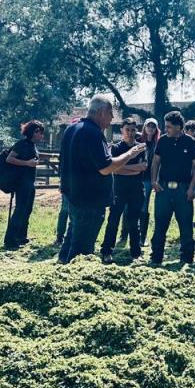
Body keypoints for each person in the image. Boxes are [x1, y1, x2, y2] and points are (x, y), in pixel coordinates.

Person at [57, 96, 146, 263]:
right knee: (82, 249)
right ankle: (75, 279)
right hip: (89, 201)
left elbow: (63, 162)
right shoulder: (92, 133)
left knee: (71, 239)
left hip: (74, 195)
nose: (112, 117)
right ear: (100, 112)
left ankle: (62, 266)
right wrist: (130, 154)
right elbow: (106, 167)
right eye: (110, 113)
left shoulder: (71, 129)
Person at [149, 111, 195, 266]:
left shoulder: (191, 142)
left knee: (186, 224)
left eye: (169, 127)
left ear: (179, 127)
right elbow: (155, 162)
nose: (166, 129)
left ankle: (187, 258)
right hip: (164, 188)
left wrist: (192, 188)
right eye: (166, 126)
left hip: (183, 189)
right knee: (160, 224)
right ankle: (156, 257)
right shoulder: (163, 141)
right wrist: (153, 181)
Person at [99, 117, 148, 263]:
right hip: (118, 191)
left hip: (136, 190)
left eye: (133, 130)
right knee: (113, 221)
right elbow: (115, 170)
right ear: (122, 131)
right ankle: (106, 251)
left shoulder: (141, 147)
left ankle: (136, 254)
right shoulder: (115, 148)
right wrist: (132, 168)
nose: (131, 133)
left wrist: (121, 166)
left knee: (134, 223)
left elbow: (143, 167)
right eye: (128, 130)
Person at [3, 120, 45, 250]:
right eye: (40, 133)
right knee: (20, 210)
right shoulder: (21, 144)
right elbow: (9, 159)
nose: (42, 136)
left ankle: (21, 236)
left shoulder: (32, 145)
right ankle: (10, 240)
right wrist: (27, 163)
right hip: (21, 183)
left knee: (27, 210)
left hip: (29, 182)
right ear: (34, 132)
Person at [55, 118, 79, 247]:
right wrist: (62, 181)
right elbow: (61, 166)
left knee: (74, 211)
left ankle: (72, 236)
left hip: (79, 184)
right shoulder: (66, 146)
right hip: (67, 182)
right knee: (64, 210)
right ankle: (59, 236)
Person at [137, 118, 160, 246]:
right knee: (140, 206)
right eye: (148, 126)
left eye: (153, 126)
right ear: (145, 127)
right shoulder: (139, 141)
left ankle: (143, 237)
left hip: (154, 178)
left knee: (146, 207)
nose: (150, 128)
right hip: (141, 177)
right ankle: (128, 234)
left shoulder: (159, 142)